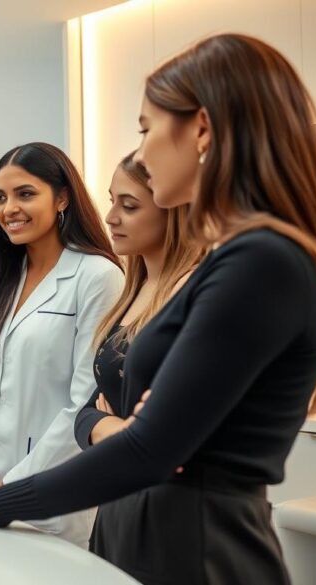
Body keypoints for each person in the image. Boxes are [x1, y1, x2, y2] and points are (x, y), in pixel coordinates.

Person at [0, 34, 316, 585]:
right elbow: (118, 417)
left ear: (203, 130)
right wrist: (120, 424)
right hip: (140, 530)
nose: (140, 153)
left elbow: (148, 445)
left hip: (199, 551)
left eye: (146, 128)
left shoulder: (262, 261)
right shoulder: (235, 262)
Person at [0, 142, 123, 545]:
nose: (9, 208)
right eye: (0, 197)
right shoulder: (0, 280)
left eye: (25, 194)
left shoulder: (96, 277)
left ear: (62, 198)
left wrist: (8, 489)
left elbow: (83, 402)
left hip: (51, 494)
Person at [74, 152, 200, 450]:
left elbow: (167, 433)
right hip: (120, 486)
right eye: (112, 201)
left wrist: (121, 434)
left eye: (129, 206)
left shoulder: (192, 290)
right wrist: (111, 429)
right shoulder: (134, 292)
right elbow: (86, 414)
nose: (110, 217)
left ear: (173, 211)